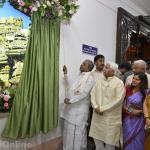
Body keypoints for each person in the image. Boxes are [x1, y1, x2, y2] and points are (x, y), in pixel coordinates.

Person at [89, 62, 125, 150]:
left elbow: (118, 100)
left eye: (107, 67)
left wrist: (102, 109)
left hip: (110, 119)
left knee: (110, 144)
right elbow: (92, 94)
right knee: (98, 142)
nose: (104, 68)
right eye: (105, 67)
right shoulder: (99, 81)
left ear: (113, 71)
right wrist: (95, 106)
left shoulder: (119, 83)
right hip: (97, 117)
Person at [62, 59, 94, 150]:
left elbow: (84, 93)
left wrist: (70, 101)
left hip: (80, 111)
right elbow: (69, 87)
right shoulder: (79, 76)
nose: (81, 64)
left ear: (88, 68)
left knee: (78, 133)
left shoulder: (90, 79)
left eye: (84, 64)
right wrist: (65, 74)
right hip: (71, 109)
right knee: (68, 131)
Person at [123, 73, 148, 150]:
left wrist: (140, 112)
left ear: (142, 81)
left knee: (137, 141)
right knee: (127, 141)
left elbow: (147, 108)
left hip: (139, 122)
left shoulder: (146, 92)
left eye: (137, 79)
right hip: (127, 120)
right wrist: (130, 111)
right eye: (134, 78)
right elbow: (122, 103)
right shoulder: (128, 89)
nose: (134, 80)